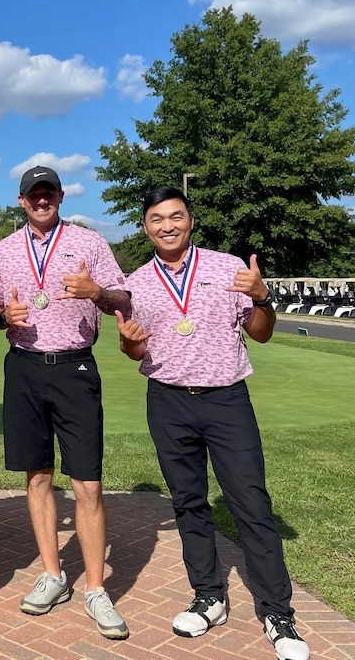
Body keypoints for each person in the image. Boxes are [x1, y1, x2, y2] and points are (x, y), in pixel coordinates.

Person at [116, 186, 310, 660]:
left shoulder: (228, 268)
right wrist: (129, 343)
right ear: (145, 227)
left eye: (176, 216)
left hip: (226, 401)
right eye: (157, 218)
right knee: (188, 503)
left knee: (251, 504)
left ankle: (277, 612)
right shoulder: (136, 282)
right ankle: (209, 596)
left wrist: (263, 299)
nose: (167, 225)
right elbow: (135, 349)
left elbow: (260, 335)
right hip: (167, 402)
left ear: (191, 220)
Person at [0, 165, 131, 640]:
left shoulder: (89, 243)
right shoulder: (4, 250)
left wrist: (99, 293)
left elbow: (123, 297)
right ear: (21, 201)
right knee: (38, 475)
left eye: (48, 193)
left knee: (87, 482)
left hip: (75, 366)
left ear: (61, 197)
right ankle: (52, 573)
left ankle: (95, 587)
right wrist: (6, 315)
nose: (41, 200)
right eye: (33, 195)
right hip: (23, 366)